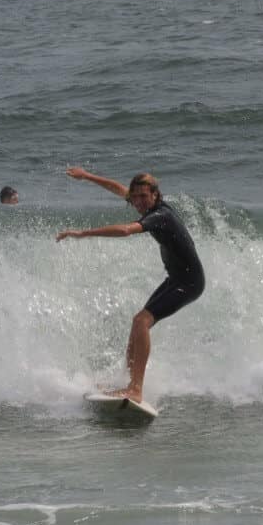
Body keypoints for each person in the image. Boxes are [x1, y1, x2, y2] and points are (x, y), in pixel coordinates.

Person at [56, 167, 205, 402]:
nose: (138, 202)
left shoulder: (160, 215)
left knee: (141, 322)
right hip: (177, 278)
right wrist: (87, 176)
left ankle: (135, 389)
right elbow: (118, 189)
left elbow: (126, 230)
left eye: (143, 197)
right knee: (138, 323)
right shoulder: (147, 205)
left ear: (155, 195)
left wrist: (83, 233)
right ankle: (127, 382)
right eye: (134, 197)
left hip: (190, 281)